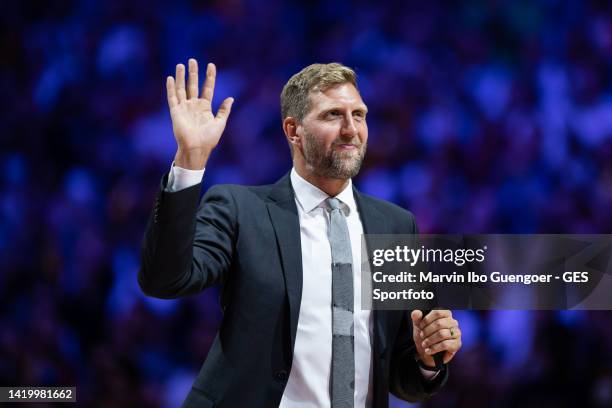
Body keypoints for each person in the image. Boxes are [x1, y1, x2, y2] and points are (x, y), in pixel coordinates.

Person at [138, 59, 462, 408]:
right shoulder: (241, 209)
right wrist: (190, 161)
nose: (351, 129)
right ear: (293, 131)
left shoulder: (396, 227)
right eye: (333, 115)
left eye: (359, 114)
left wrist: (428, 359)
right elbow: (164, 280)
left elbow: (400, 376)